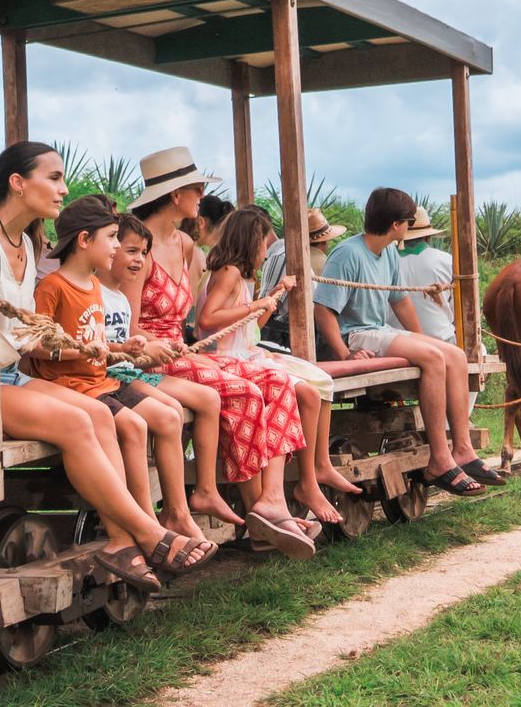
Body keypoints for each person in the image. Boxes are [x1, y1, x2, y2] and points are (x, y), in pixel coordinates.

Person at [0, 141, 215, 590]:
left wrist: (107, 348)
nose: (64, 189)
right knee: (76, 424)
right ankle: (147, 532)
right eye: (55, 178)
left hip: (6, 374)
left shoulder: (24, 242)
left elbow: (29, 333)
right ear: (17, 183)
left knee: (100, 413)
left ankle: (120, 539)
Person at [126, 146, 317, 559]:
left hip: (184, 351)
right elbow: (126, 325)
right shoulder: (135, 246)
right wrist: (163, 346)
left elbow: (192, 320)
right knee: (244, 393)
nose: (202, 198)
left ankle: (273, 502)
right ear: (176, 196)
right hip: (149, 358)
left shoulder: (184, 246)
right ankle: (260, 514)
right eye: (196, 189)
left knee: (279, 383)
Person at [34, 193, 204, 556]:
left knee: (158, 419)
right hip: (74, 385)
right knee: (137, 424)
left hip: (105, 379)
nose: (117, 248)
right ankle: (145, 520)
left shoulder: (95, 286)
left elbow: (97, 344)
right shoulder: (52, 288)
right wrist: (86, 351)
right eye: (112, 239)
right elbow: (36, 346)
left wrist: (122, 348)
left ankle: (161, 518)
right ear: (83, 241)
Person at [314, 187, 503, 496]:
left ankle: (462, 449)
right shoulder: (347, 254)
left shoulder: (388, 252)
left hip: (379, 330)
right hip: (358, 333)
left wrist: (424, 340)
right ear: (395, 225)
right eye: (408, 220)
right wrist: (345, 353)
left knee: (452, 355)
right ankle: (439, 460)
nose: (408, 226)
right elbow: (323, 310)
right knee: (432, 358)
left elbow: (400, 302)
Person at [198, 205, 364, 524]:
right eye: (263, 243)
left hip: (245, 352)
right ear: (251, 241)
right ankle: (300, 481)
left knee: (314, 391)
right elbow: (208, 320)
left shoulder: (242, 275)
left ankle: (312, 475)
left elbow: (250, 325)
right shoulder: (229, 271)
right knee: (294, 386)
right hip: (228, 358)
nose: (266, 250)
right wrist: (257, 303)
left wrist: (272, 296)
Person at [99, 211, 241, 534]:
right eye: (130, 251)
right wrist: (147, 350)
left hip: (131, 371)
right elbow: (114, 345)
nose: (140, 261)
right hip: (117, 376)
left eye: (143, 254)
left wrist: (147, 352)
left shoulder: (119, 296)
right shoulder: (98, 293)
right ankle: (157, 516)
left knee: (185, 406)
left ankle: (180, 507)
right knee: (173, 411)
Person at [259, 207, 348, 354]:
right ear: (324, 242)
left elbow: (268, 307)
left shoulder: (280, 256)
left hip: (293, 334)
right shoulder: (325, 261)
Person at [387, 204, 456, 342]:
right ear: (428, 236)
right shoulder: (447, 261)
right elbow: (456, 308)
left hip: (396, 341)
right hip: (441, 338)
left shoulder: (385, 262)